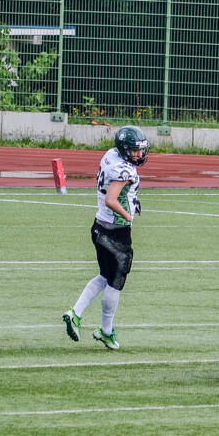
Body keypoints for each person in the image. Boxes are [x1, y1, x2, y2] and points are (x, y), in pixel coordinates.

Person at [63, 125, 149, 349]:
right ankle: (106, 331)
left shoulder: (110, 154)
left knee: (104, 275)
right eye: (134, 150)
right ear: (124, 149)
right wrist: (128, 216)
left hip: (99, 226)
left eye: (140, 150)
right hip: (116, 233)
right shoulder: (125, 170)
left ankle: (75, 312)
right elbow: (112, 199)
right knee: (116, 281)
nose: (139, 154)